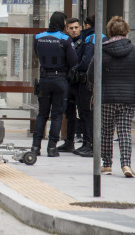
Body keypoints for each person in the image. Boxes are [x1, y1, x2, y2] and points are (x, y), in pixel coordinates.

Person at [87, 16, 135, 178]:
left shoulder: (101, 51)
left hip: (106, 97)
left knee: (107, 131)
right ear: (126, 31)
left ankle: (107, 164)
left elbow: (91, 74)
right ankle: (126, 164)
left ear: (109, 31)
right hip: (128, 99)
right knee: (124, 131)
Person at [32, 11, 78, 157]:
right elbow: (74, 61)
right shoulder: (65, 39)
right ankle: (51, 148)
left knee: (42, 115)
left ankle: (35, 147)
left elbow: (37, 54)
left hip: (44, 79)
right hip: (60, 80)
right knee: (57, 115)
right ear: (62, 23)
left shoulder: (38, 37)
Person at [73, 15, 103, 158]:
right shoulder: (102, 37)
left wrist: (75, 68)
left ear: (86, 26)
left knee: (87, 113)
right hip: (94, 81)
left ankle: (89, 144)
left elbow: (86, 61)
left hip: (87, 82)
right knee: (87, 113)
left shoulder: (91, 39)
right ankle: (87, 143)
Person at [58, 17, 83, 152]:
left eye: (76, 27)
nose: (74, 30)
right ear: (67, 29)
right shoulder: (65, 42)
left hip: (80, 82)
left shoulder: (83, 42)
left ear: (80, 28)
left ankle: (87, 143)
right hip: (68, 81)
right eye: (71, 28)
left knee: (83, 113)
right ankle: (69, 142)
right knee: (69, 113)